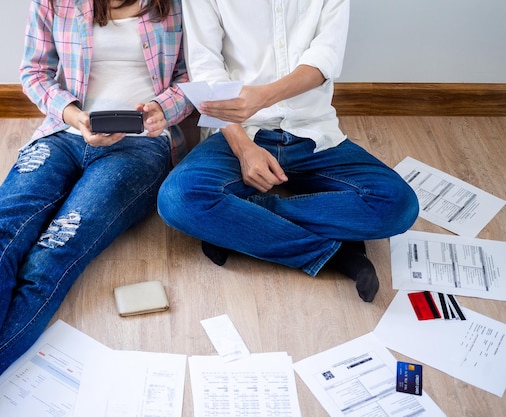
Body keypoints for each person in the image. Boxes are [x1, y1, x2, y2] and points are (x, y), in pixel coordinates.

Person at [0, 0, 192, 416]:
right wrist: (75, 115)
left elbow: (193, 78)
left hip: (141, 147)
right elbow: (34, 72)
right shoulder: (55, 2)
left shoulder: (178, 6)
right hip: (64, 132)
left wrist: (162, 109)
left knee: (53, 253)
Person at [157, 0, 419, 303]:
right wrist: (244, 150)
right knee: (178, 199)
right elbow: (206, 71)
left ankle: (238, 222)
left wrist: (264, 97)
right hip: (242, 133)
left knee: (398, 205)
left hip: (315, 134)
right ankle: (337, 255)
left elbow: (326, 58)